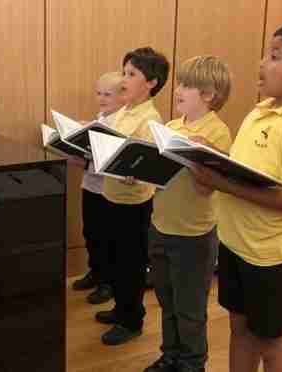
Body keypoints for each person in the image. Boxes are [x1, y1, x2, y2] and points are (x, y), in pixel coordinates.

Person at [190, 23, 282, 372]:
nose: (261, 64)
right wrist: (211, 152)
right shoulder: (260, 111)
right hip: (236, 241)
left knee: (272, 342)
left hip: (270, 255)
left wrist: (220, 182)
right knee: (239, 328)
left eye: (275, 56)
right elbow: (248, 170)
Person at [144, 55, 232, 372]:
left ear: (208, 95)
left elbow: (209, 187)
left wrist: (197, 152)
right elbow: (159, 176)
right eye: (179, 83)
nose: (177, 89)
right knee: (166, 302)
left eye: (187, 85)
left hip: (194, 236)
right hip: (161, 227)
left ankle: (193, 363)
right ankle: (171, 355)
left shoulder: (217, 133)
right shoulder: (170, 126)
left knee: (190, 309)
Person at [94, 47, 170, 345]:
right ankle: (121, 307)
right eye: (123, 72)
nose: (124, 79)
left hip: (134, 203)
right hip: (112, 195)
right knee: (114, 258)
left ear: (150, 83)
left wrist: (132, 169)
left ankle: (131, 320)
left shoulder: (151, 119)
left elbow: (149, 165)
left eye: (132, 74)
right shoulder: (124, 111)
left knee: (131, 264)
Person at [71, 71, 126, 305]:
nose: (102, 99)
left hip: (107, 189)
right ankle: (95, 271)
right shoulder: (101, 118)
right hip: (91, 185)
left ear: (123, 97)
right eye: (99, 93)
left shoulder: (120, 122)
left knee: (107, 237)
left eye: (108, 94)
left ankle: (108, 282)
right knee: (91, 232)